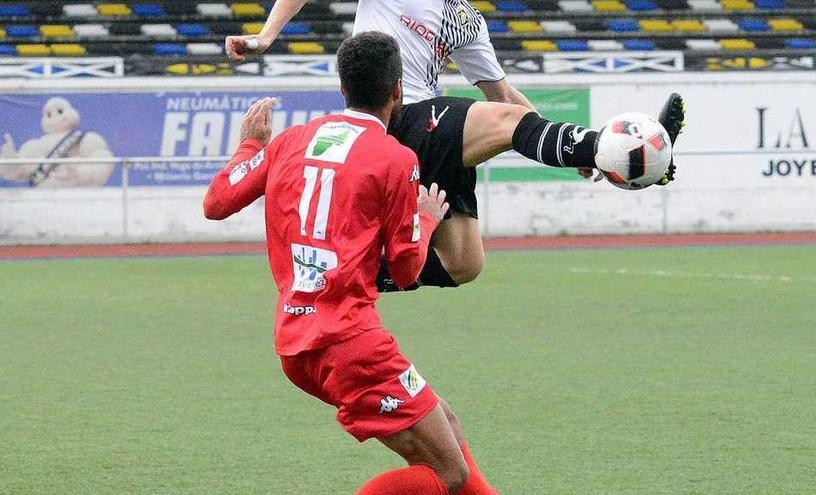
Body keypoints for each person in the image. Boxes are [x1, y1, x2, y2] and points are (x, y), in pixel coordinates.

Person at [204, 32, 500, 495]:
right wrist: (425, 217)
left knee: (447, 425)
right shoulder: (396, 158)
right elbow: (405, 271)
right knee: (449, 473)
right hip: (350, 343)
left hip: (296, 343)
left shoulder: (289, 141)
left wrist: (249, 148)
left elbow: (216, 202)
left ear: (342, 88)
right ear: (398, 91)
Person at [226, 0, 685, 291]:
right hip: (394, 117)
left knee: (463, 264)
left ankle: (355, 272)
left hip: (427, 129)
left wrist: (571, 154)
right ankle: (612, 149)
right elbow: (508, 115)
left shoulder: (465, 20)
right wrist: (268, 35)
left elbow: (503, 96)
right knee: (509, 122)